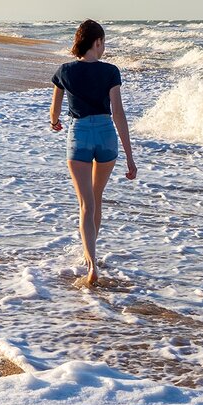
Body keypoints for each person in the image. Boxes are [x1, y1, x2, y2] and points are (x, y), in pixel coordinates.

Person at [49, 19, 136, 286]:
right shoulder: (110, 71)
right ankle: (91, 253)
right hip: (106, 134)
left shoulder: (65, 71)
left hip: (80, 135)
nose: (104, 47)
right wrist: (130, 157)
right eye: (103, 42)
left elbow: (55, 109)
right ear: (97, 42)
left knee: (85, 204)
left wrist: (55, 122)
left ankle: (91, 263)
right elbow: (118, 113)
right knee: (96, 198)